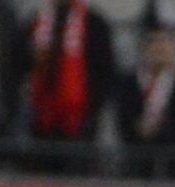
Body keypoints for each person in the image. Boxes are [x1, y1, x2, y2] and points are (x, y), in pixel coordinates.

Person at [23, 0, 114, 167]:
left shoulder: (94, 23)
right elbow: (19, 64)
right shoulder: (36, 21)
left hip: (80, 123)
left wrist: (92, 110)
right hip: (40, 120)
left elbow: (105, 70)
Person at [116, 24, 175, 178]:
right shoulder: (130, 82)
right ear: (145, 49)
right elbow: (123, 118)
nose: (160, 49)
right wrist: (138, 129)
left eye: (165, 44)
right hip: (139, 161)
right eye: (155, 44)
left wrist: (165, 129)